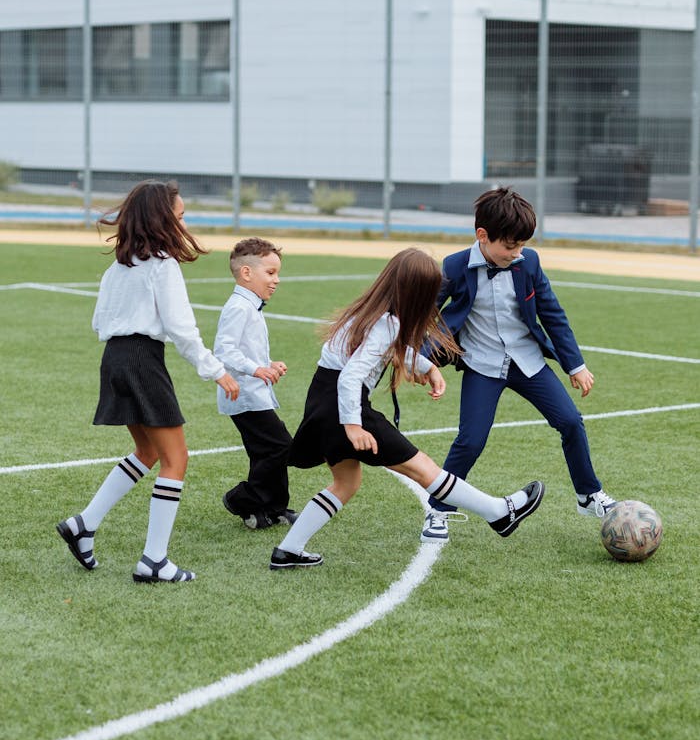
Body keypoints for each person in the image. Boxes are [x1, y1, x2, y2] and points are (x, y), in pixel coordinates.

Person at [269, 247, 544, 570]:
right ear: (415, 295)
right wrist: (353, 426)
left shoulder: (371, 314)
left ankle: (289, 550)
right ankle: (498, 512)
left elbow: (388, 352)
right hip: (345, 405)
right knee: (423, 467)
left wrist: (427, 367)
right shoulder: (386, 323)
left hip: (323, 402)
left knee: (346, 483)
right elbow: (351, 377)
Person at [56, 180, 240, 583]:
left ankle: (84, 524)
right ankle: (154, 561)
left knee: (147, 451)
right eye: (180, 215)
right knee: (176, 459)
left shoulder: (116, 267)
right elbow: (182, 329)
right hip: (142, 360)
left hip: (114, 359)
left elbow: (98, 323)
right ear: (162, 219)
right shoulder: (162, 265)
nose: (184, 221)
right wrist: (217, 370)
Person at [421, 186, 615, 544]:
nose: (517, 253)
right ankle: (438, 509)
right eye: (510, 246)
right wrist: (419, 361)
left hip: (526, 361)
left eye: (522, 245)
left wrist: (575, 365)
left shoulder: (529, 263)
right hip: (482, 364)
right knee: (471, 440)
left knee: (571, 421)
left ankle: (588, 495)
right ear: (483, 235)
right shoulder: (455, 266)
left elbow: (552, 314)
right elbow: (426, 314)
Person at [214, 237, 297, 530]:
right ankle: (241, 499)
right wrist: (256, 369)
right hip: (244, 395)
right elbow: (224, 350)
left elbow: (247, 350)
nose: (276, 280)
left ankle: (271, 509)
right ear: (247, 273)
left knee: (265, 451)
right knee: (281, 446)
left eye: (277, 273)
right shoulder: (239, 307)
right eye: (270, 273)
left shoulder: (252, 305)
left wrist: (268, 364)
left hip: (254, 392)